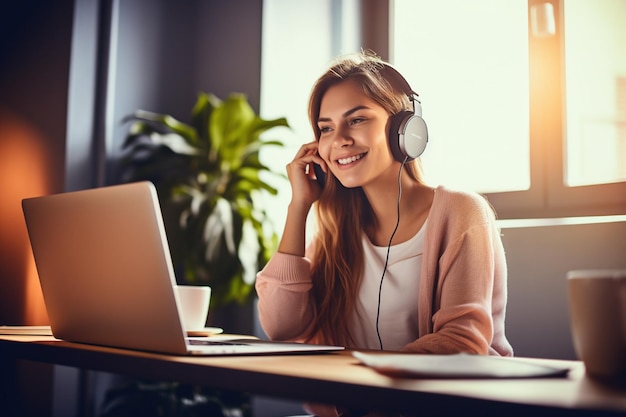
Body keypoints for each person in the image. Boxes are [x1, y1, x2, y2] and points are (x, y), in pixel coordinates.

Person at [255, 50, 513, 415]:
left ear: (405, 129)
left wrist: (357, 376)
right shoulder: (335, 231)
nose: (338, 140)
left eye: (357, 120)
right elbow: (281, 327)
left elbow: (462, 342)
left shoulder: (460, 212)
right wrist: (299, 206)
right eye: (326, 128)